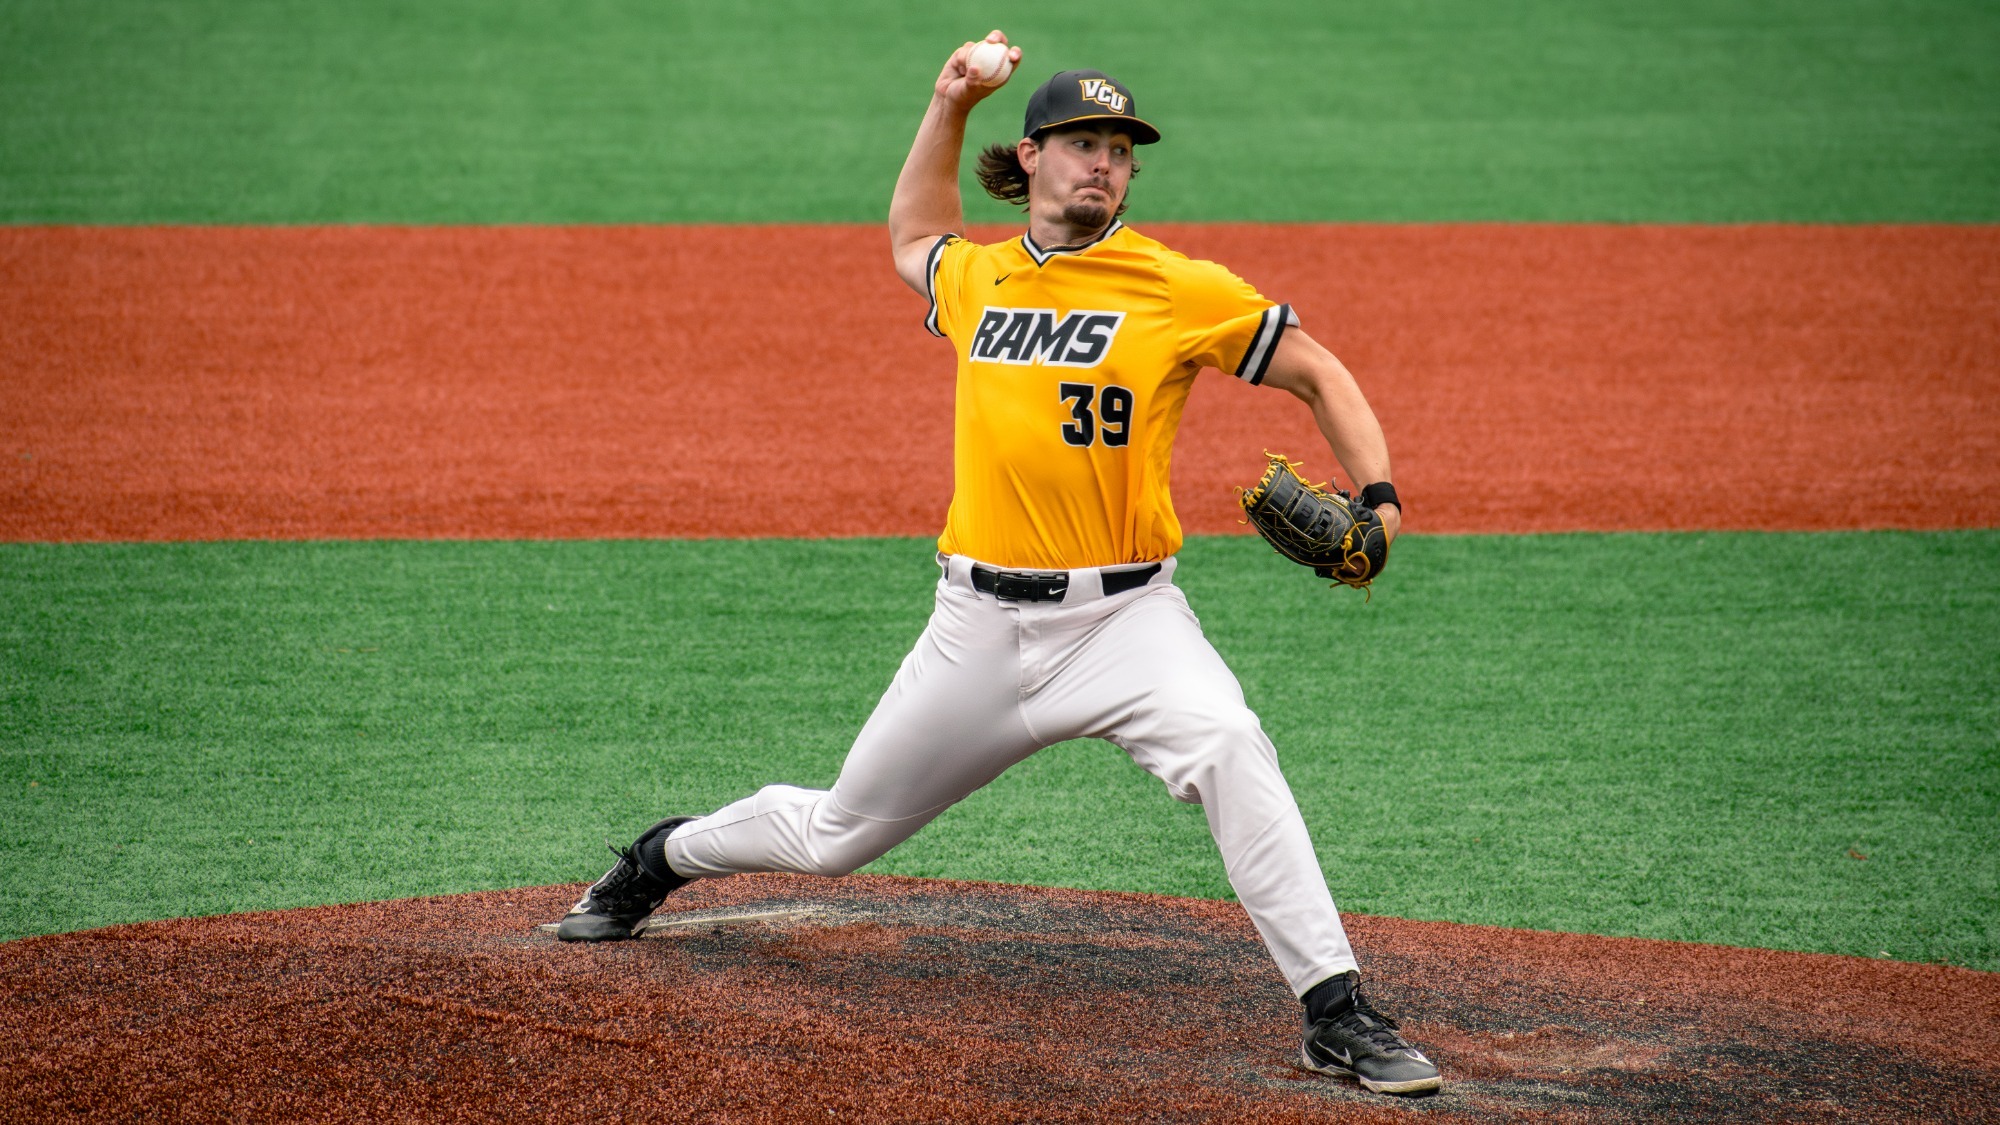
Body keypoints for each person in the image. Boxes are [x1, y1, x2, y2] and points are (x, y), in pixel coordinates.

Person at [554, 30, 1442, 1097]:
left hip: (1127, 626)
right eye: (1080, 141)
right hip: (973, 629)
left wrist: (1381, 501)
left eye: (1119, 147)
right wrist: (948, 99)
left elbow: (1315, 371)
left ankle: (1334, 1011)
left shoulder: (1174, 286)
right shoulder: (979, 278)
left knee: (1225, 740)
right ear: (1030, 158)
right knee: (838, 835)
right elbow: (911, 235)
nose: (1101, 162)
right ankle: (662, 856)